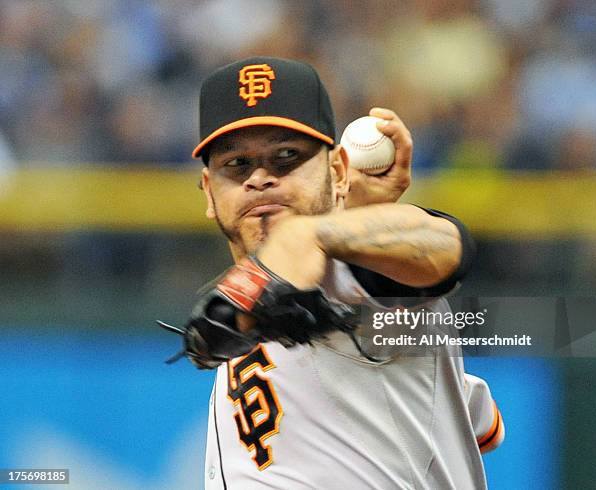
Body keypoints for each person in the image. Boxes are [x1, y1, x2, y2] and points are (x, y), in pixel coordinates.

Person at [168, 57, 504, 489]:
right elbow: (481, 423)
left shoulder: (352, 276)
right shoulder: (246, 302)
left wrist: (312, 235)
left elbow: (448, 247)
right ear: (209, 192)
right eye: (237, 165)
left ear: (339, 171)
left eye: (286, 157)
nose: (260, 178)